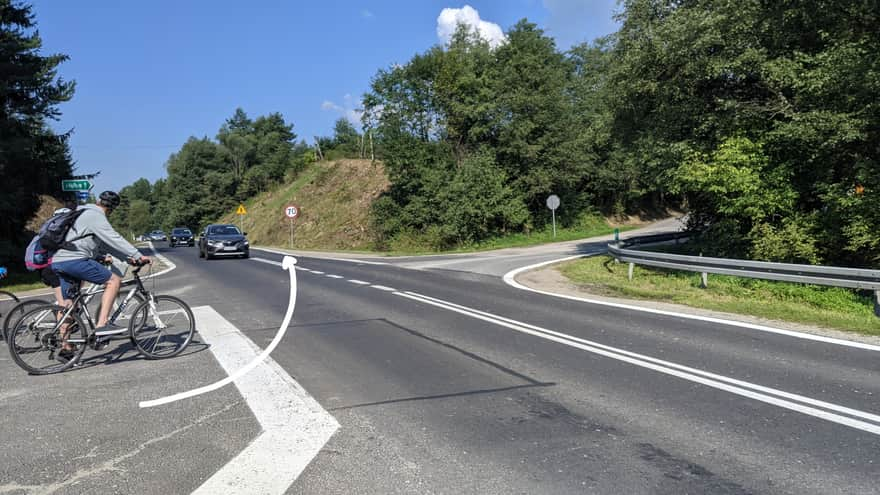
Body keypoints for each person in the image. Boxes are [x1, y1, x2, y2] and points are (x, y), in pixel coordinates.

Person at [51, 191, 150, 341]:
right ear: (112, 208)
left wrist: (127, 258)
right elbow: (114, 238)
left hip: (59, 261)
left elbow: (105, 244)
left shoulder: (81, 212)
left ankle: (66, 347)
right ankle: (102, 325)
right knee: (113, 281)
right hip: (75, 260)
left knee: (68, 305)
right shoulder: (95, 216)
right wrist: (137, 254)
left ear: (99, 201)